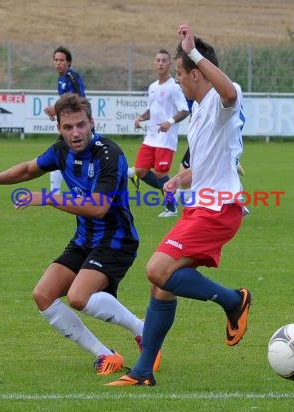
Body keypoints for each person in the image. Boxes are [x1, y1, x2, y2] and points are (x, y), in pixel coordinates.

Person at [0, 93, 160, 376]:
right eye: (68, 127)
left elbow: (98, 208)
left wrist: (48, 197)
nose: (76, 133)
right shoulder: (61, 151)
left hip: (116, 239)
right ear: (59, 128)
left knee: (79, 297)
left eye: (81, 125)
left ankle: (144, 331)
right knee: (43, 295)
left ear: (92, 123)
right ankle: (106, 355)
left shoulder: (109, 154)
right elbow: (27, 169)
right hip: (84, 239)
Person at [107, 24, 252, 387]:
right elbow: (207, 163)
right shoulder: (200, 111)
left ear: (196, 72)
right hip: (201, 207)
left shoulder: (219, 103)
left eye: (179, 73)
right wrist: (178, 179)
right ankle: (142, 373)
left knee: (157, 270)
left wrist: (197, 52)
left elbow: (231, 92)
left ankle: (234, 301)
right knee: (162, 286)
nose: (177, 80)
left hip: (218, 210)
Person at [129, 49, 190, 218]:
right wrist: (141, 117)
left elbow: (185, 110)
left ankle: (171, 208)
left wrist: (169, 122)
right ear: (155, 64)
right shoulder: (153, 87)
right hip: (151, 137)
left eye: (164, 60)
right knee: (140, 171)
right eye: (158, 60)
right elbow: (152, 109)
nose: (161, 63)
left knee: (161, 173)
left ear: (170, 64)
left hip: (165, 139)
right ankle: (171, 190)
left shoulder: (174, 87)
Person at [44, 46, 87, 193]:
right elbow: (66, 104)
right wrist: (57, 113)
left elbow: (79, 102)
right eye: (56, 60)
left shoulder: (71, 77)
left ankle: (54, 195)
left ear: (68, 62)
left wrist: (56, 109)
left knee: (94, 159)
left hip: (79, 126)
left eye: (61, 60)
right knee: (60, 155)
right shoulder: (61, 78)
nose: (58, 63)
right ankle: (131, 173)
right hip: (71, 127)